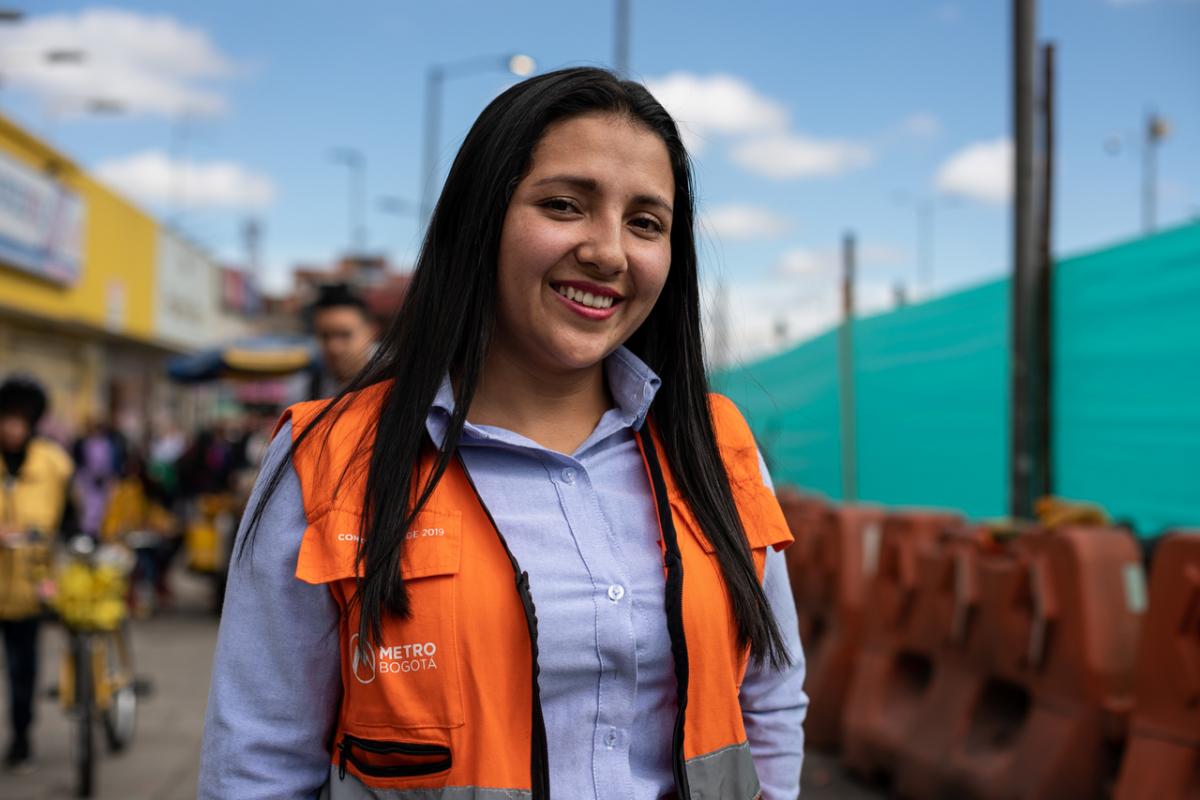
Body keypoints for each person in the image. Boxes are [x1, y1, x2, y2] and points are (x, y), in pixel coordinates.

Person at [200, 67, 807, 800]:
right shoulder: (326, 460)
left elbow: (769, 698)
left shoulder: (719, 446)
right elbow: (259, 762)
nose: (609, 251)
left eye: (646, 222)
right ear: (480, 219)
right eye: (563, 205)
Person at [0, 375, 73, 771]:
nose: (10, 428)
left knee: (22, 669)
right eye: (4, 419)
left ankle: (21, 736)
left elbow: (71, 517)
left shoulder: (54, 463)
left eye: (17, 419)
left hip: (31, 585)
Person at [307, 282, 378, 399]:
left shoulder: (396, 382)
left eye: (344, 334)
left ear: (372, 332)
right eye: (325, 336)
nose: (334, 347)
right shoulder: (306, 387)